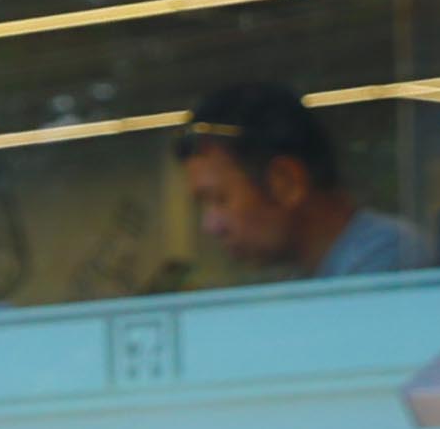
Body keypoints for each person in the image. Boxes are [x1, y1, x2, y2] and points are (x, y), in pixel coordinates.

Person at [179, 84, 425, 283]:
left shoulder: (390, 263)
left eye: (220, 199)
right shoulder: (315, 274)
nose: (211, 226)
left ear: (286, 182)